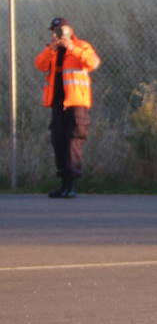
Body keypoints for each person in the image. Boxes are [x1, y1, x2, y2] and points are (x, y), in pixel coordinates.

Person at [34, 17, 101, 199]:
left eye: (60, 31)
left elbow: (93, 63)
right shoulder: (52, 51)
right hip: (57, 105)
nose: (56, 34)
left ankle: (71, 185)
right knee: (59, 142)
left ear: (69, 31)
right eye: (54, 31)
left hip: (75, 104)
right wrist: (51, 48)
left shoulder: (81, 46)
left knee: (73, 143)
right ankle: (63, 184)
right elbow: (39, 64)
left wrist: (72, 48)